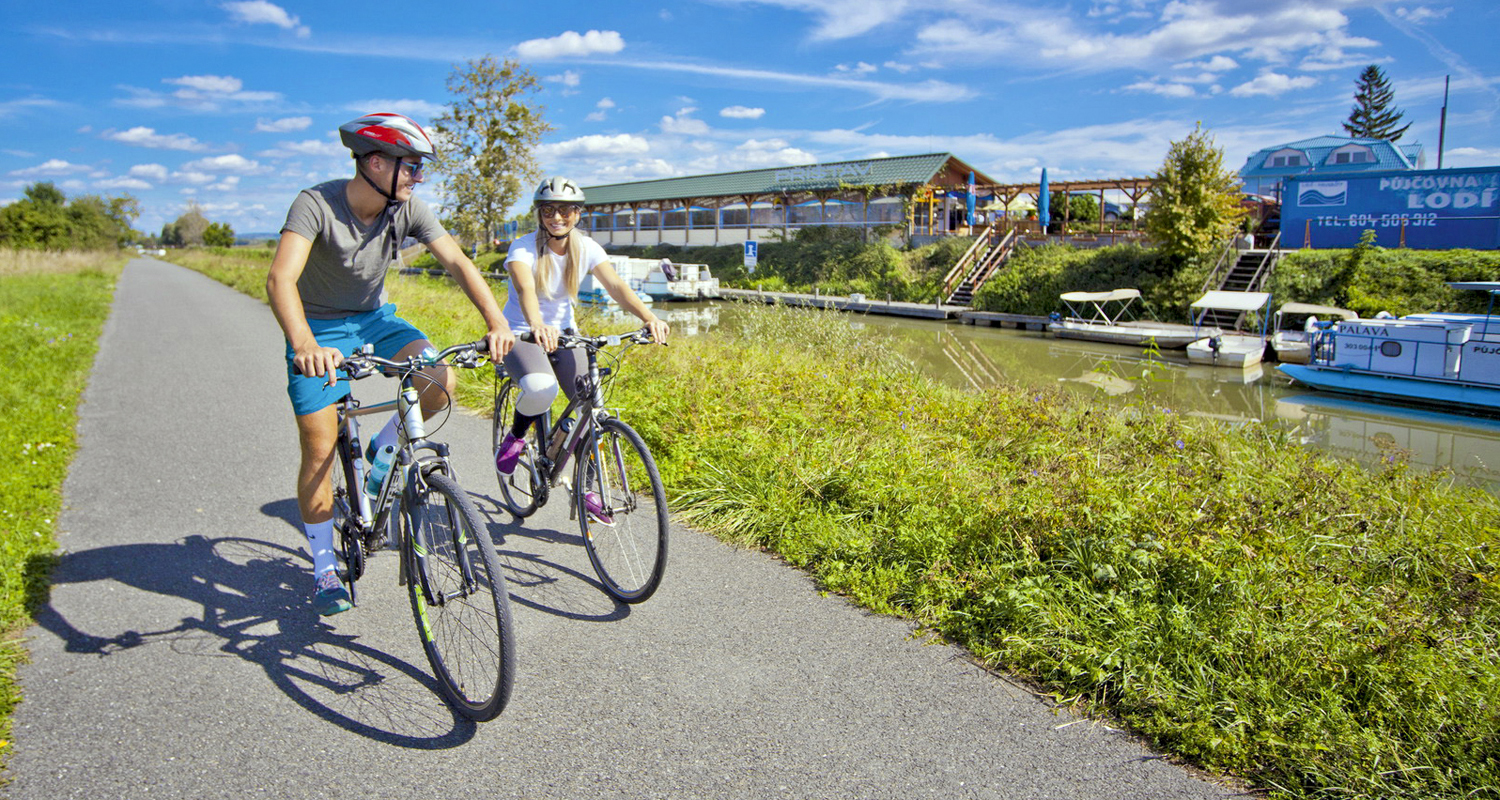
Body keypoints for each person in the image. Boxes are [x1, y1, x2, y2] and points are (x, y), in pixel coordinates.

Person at [266, 112, 513, 616]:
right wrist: (305, 342)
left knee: (436, 378)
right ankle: (323, 566)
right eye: (412, 167)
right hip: (317, 328)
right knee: (318, 446)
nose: (418, 177)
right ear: (375, 163)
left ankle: (383, 452)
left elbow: (460, 264)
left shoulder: (408, 209)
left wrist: (496, 323)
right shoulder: (315, 204)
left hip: (376, 320)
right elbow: (280, 280)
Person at [493, 176, 669, 521]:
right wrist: (537, 323)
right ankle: (516, 436)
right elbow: (526, 289)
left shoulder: (586, 247)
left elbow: (616, 285)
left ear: (577, 213)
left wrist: (649, 317)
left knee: (589, 407)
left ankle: (585, 490)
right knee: (540, 387)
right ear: (539, 213)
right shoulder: (523, 247)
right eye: (548, 209)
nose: (556, 217)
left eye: (565, 210)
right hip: (520, 332)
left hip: (566, 334)